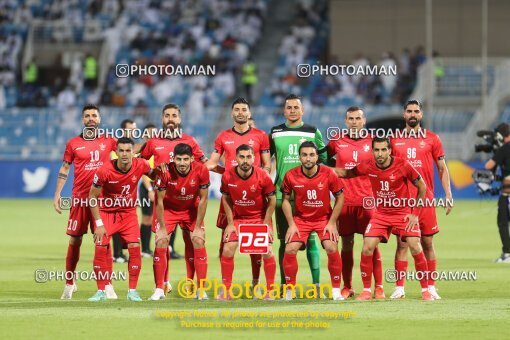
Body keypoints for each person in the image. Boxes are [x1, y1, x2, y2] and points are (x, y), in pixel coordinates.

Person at [334, 137, 435, 301]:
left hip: (402, 213)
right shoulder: (368, 165)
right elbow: (346, 173)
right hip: (381, 215)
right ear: (372, 151)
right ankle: (367, 290)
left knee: (415, 246)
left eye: (383, 150)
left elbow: (422, 187)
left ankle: (425, 290)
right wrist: (322, 169)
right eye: (376, 150)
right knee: (367, 247)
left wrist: (414, 214)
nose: (380, 154)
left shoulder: (402, 165)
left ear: (389, 150)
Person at [140, 103, 212, 293]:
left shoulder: (190, 141)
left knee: (193, 241)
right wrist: (153, 174)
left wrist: (230, 172)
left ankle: (193, 283)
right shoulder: (153, 142)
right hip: (165, 200)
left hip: (189, 202)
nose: (171, 119)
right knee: (162, 240)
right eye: (167, 115)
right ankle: (163, 284)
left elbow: (206, 165)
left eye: (174, 115)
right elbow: (138, 161)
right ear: (162, 119)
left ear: (179, 119)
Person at [205, 97, 271, 293]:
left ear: (249, 113)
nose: (240, 112)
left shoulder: (261, 135)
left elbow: (266, 165)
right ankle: (226, 286)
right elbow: (211, 163)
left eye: (244, 109)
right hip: (231, 195)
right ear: (232, 113)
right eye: (237, 109)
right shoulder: (223, 137)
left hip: (255, 195)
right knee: (226, 242)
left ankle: (256, 283)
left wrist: (257, 178)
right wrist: (225, 173)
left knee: (257, 245)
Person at [390, 99, 453, 300]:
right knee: (402, 244)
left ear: (421, 115)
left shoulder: (433, 139)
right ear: (404, 114)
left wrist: (448, 194)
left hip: (425, 200)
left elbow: (442, 168)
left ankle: (431, 286)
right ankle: (399, 287)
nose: (413, 114)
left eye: (416, 111)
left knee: (427, 242)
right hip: (402, 201)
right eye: (409, 111)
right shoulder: (393, 140)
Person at [53, 104, 117, 300]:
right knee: (75, 239)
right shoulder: (73, 143)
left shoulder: (109, 140)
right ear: (83, 120)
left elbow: (128, 153)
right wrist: (57, 195)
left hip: (103, 200)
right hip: (80, 199)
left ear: (99, 119)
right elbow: (64, 168)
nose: (91, 118)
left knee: (104, 241)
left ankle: (107, 285)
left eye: (94, 115)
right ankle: (70, 283)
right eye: (87, 116)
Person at [269, 94, 327, 294]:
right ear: (284, 111)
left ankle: (316, 284)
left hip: (309, 196)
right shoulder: (275, 132)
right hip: (281, 196)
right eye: (289, 107)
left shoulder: (312, 132)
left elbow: (324, 158)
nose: (292, 110)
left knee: (311, 239)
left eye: (296, 107)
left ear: (303, 110)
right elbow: (266, 161)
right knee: (285, 241)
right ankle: (286, 285)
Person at [88, 138, 157, 301]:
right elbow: (92, 197)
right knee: (100, 246)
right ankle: (101, 291)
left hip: (128, 214)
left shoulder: (140, 164)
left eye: (128, 150)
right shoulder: (104, 171)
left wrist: (163, 170)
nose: (125, 154)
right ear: (116, 152)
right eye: (121, 151)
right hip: (106, 212)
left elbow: (154, 175)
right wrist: (98, 224)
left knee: (134, 248)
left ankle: (132, 291)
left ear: (133, 152)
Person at [327, 106, 384, 299]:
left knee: (372, 244)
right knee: (347, 244)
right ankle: (348, 286)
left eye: (357, 118)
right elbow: (325, 163)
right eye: (350, 118)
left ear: (364, 120)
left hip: (368, 200)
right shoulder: (336, 141)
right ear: (345, 121)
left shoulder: (373, 142)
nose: (354, 122)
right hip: (344, 201)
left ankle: (379, 287)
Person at [281, 141, 345, 301]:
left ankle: (336, 290)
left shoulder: (329, 173)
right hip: (301, 220)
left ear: (317, 156)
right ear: (299, 157)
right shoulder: (290, 174)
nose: (308, 158)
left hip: (323, 219)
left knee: (331, 247)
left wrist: (332, 223)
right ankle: (290, 291)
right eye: (304, 155)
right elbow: (285, 201)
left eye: (311, 155)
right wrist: (291, 224)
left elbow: (340, 197)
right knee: (289, 249)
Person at [150, 143, 210, 300]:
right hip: (169, 209)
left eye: (185, 159)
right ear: (173, 159)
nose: (182, 163)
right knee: (161, 240)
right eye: (178, 159)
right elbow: (160, 201)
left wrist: (198, 227)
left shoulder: (201, 170)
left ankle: (201, 289)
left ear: (191, 158)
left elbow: (204, 199)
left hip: (191, 209)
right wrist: (162, 227)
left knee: (198, 240)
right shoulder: (165, 172)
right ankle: (159, 290)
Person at [219, 144, 277, 300]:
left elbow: (272, 200)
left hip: (259, 219)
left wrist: (265, 224)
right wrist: (230, 223)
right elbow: (226, 198)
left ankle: (270, 291)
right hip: (239, 219)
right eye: (242, 157)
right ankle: (226, 290)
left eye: (249, 157)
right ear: (236, 158)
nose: (245, 160)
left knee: (267, 251)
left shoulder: (263, 176)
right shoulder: (227, 176)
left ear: (254, 158)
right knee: (227, 249)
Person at [112, 119, 138, 263]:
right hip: (114, 192)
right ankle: (117, 253)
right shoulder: (118, 149)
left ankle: (120, 252)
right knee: (115, 222)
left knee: (125, 223)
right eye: (130, 129)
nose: (133, 132)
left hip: (129, 193)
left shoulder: (131, 148)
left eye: (134, 129)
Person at [484, 123, 510, 263]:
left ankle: (507, 253)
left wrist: (495, 151)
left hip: (507, 192)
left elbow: (488, 166)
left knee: (503, 222)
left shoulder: (504, 148)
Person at [139, 123, 157, 258]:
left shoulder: (158, 148)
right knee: (147, 218)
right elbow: (144, 172)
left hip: (159, 186)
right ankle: (144, 249)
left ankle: (166, 248)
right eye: (149, 133)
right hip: (147, 188)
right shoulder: (144, 150)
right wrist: (150, 189)